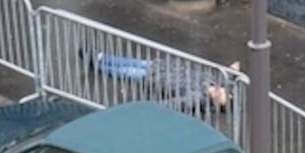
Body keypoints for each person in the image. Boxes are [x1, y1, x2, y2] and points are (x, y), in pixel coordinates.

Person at [80, 49, 239, 112]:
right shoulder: (214, 82)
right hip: (162, 68)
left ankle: (98, 65)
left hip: (157, 77)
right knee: (129, 62)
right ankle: (101, 57)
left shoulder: (198, 98)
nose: (222, 91)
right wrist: (233, 72)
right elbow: (228, 78)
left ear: (217, 102)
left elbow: (175, 103)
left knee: (125, 71)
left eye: (223, 96)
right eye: (226, 92)